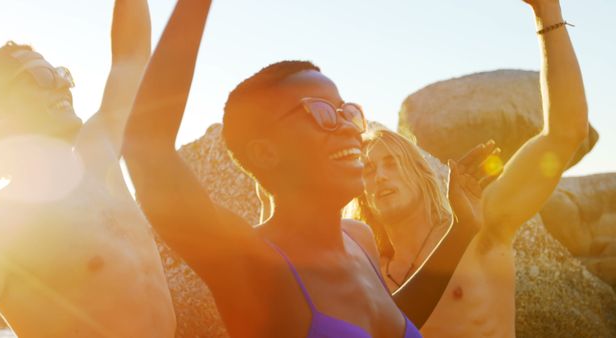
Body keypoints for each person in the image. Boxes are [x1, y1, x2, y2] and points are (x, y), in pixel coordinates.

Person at [123, 1, 493, 337]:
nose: (349, 126)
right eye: (322, 113)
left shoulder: (359, 239)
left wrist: (462, 232)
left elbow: (391, 319)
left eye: (348, 111)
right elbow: (146, 148)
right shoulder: (254, 262)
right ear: (266, 152)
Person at [348, 0, 589, 336]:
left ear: (421, 173)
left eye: (392, 163)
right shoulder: (365, 271)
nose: (381, 176)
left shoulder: (481, 229)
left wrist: (547, 13)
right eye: (369, 170)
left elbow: (565, 133)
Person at [0, 1, 176, 337]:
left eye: (62, 74)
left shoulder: (99, 155)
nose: (62, 85)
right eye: (41, 77)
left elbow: (132, 56)